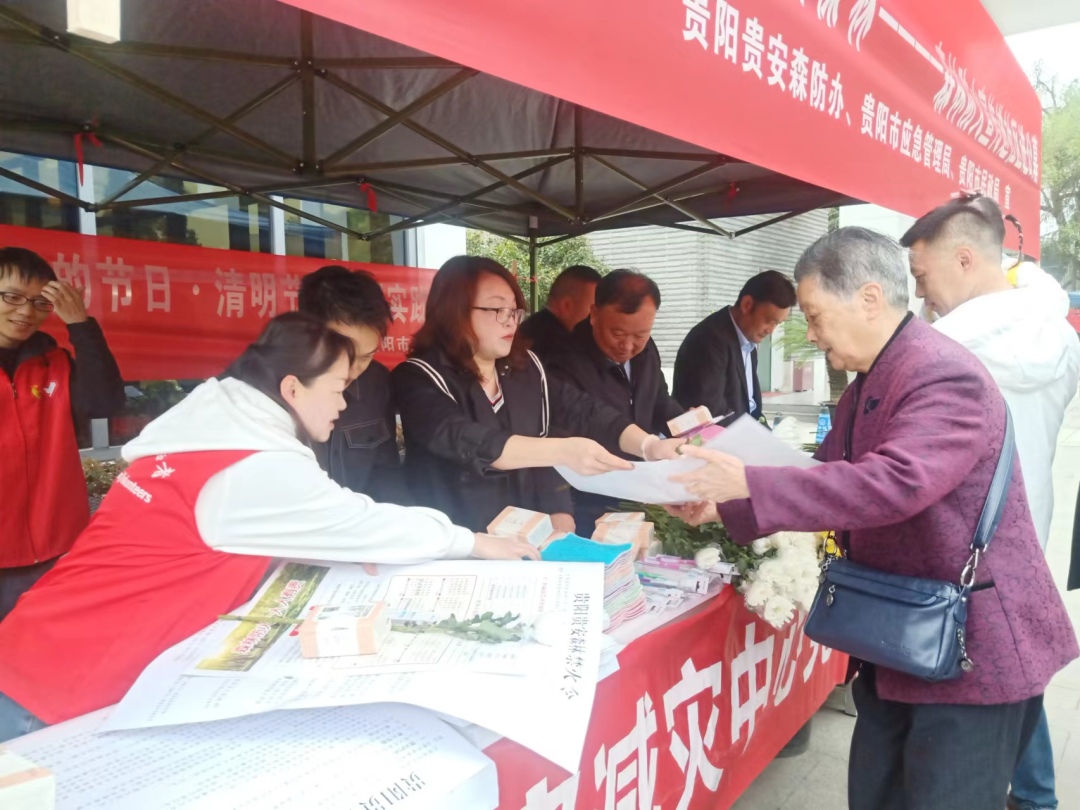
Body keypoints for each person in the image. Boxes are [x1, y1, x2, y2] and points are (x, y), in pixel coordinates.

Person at [668, 227, 1078, 810]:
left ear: (867, 298)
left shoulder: (941, 373)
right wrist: (723, 503)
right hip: (903, 635)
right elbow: (830, 473)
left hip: (970, 649)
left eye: (813, 315)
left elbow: (895, 482)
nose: (809, 334)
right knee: (878, 794)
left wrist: (747, 482)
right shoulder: (874, 380)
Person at [0, 313, 538, 742]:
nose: (346, 402)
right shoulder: (248, 467)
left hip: (36, 650)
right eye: (336, 387)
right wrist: (471, 541)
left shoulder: (205, 438)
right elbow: (355, 519)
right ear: (291, 388)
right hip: (52, 687)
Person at [901, 195, 1080, 810]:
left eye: (924, 276)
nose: (922, 296)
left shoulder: (941, 351)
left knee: (989, 678)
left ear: (966, 258)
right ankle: (1035, 796)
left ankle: (1024, 794)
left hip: (969, 538)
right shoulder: (1056, 334)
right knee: (1018, 664)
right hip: (1029, 529)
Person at [392, 257, 683, 535]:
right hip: (456, 537)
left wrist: (647, 446)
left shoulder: (525, 368)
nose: (510, 321)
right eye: (497, 310)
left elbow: (584, 410)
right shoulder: (419, 377)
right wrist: (563, 450)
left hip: (524, 534)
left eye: (515, 311)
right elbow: (467, 438)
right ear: (453, 311)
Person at [0, 247, 124, 622]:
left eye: (40, 302)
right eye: (12, 297)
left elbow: (105, 402)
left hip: (56, 546)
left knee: (38, 663)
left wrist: (80, 325)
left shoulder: (54, 363)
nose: (25, 312)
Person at [546, 269, 685, 526]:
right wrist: (648, 445)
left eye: (640, 335)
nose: (628, 346)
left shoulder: (647, 351)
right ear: (594, 314)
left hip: (642, 491)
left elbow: (658, 400)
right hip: (590, 499)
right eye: (618, 334)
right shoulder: (562, 362)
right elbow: (593, 415)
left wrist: (691, 427)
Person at [298, 265, 407, 503]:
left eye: (366, 356)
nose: (351, 371)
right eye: (343, 355)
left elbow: (385, 471)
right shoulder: (274, 389)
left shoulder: (376, 384)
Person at [673, 270, 795, 422]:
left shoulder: (748, 341)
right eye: (769, 320)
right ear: (747, 304)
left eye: (777, 323)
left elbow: (751, 406)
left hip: (743, 435)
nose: (771, 330)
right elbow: (711, 412)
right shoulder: (708, 340)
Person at [518, 264, 602, 359]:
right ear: (566, 305)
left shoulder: (532, 327)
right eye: (593, 310)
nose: (597, 318)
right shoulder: (556, 348)